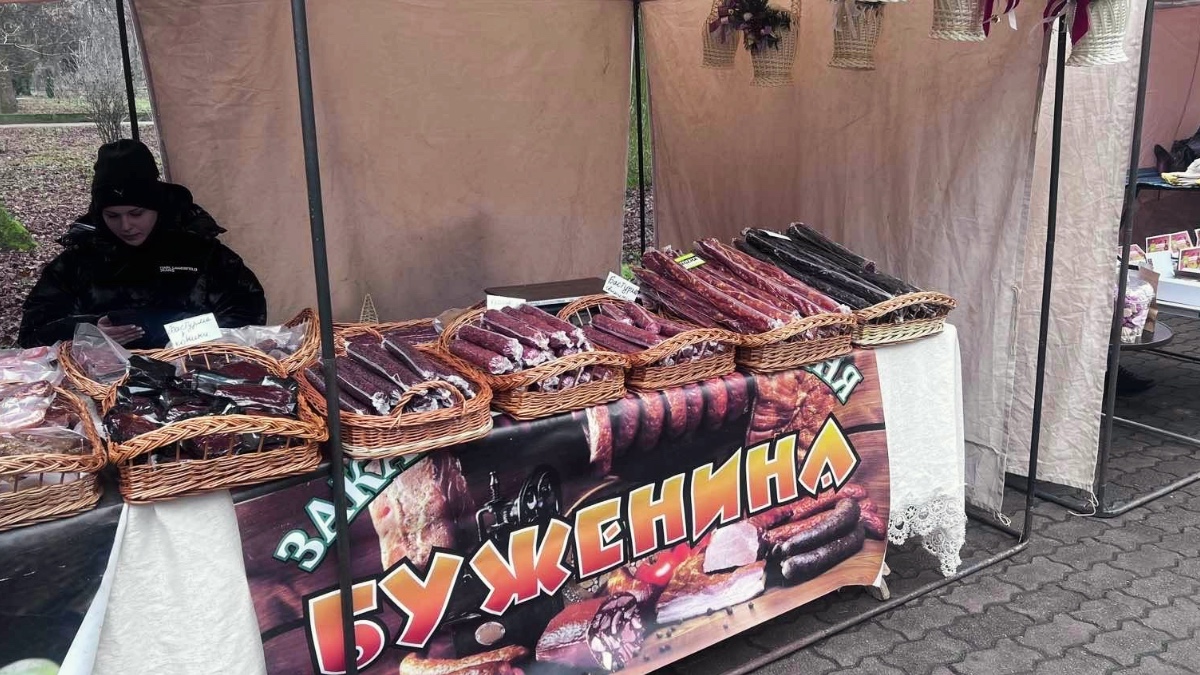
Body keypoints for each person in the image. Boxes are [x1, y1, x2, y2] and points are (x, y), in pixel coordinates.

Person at [18, 139, 266, 349]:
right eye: (112, 216)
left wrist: (174, 337)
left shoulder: (201, 252)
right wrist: (88, 332)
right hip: (99, 382)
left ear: (157, 207)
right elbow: (32, 334)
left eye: (136, 213)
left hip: (195, 374)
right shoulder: (77, 262)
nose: (126, 225)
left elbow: (247, 316)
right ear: (98, 215)